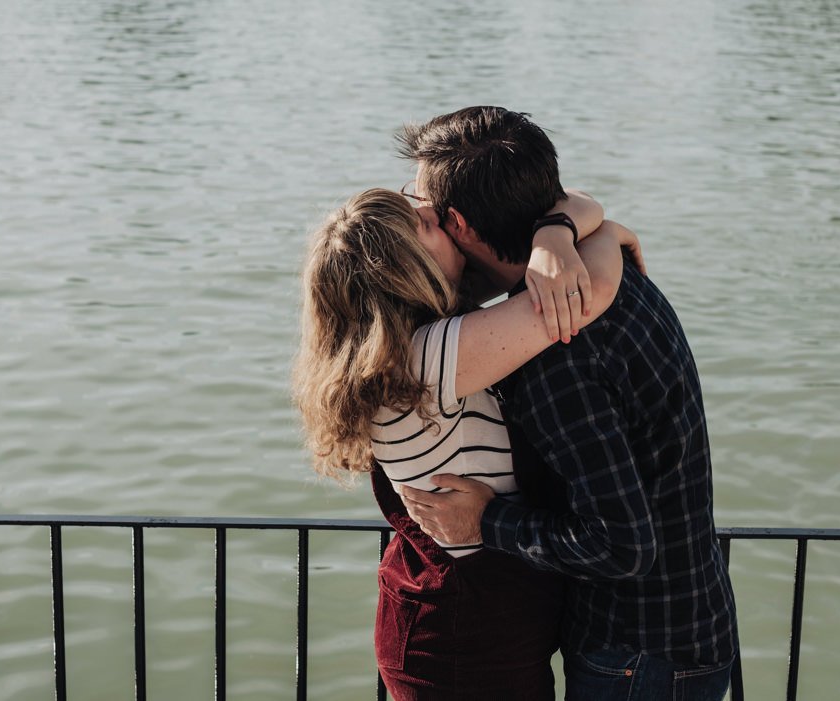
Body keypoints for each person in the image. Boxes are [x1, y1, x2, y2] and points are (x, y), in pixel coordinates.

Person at [397, 106, 739, 701]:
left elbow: (621, 545)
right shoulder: (601, 276)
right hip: (679, 628)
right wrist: (565, 228)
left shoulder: (554, 351)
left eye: (423, 207)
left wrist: (484, 520)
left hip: (638, 653)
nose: (415, 212)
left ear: (458, 223)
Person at [292, 185, 645, 699]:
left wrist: (556, 231)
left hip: (461, 626)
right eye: (427, 224)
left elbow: (579, 199)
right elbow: (582, 292)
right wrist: (606, 235)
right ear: (407, 270)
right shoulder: (430, 358)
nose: (435, 212)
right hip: (464, 647)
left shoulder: (408, 344)